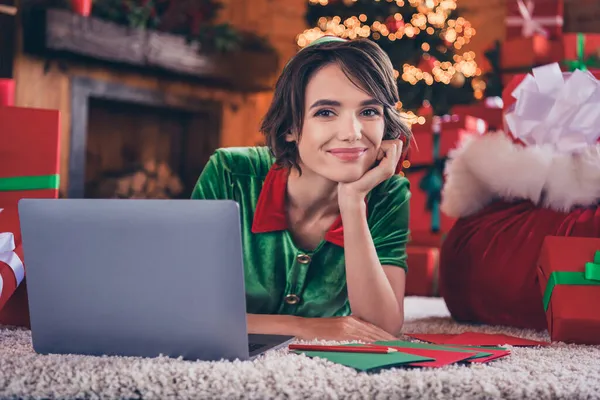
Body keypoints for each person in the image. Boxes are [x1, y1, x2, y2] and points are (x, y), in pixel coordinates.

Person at [191, 36, 412, 342]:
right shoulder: (230, 173)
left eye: (369, 111)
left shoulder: (388, 193)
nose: (352, 133)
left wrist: (352, 202)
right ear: (291, 127)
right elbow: (190, 311)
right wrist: (304, 327)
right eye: (325, 112)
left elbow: (382, 330)